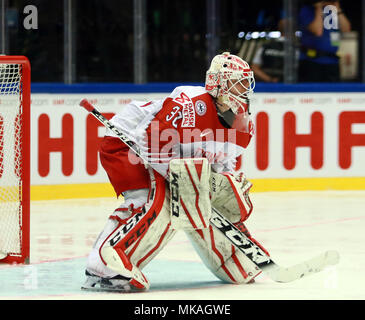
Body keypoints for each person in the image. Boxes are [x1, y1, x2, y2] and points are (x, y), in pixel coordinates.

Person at [82, 52, 269, 292]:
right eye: (236, 82)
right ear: (218, 84)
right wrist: (179, 178)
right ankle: (103, 265)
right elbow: (149, 140)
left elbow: (221, 165)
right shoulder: (189, 103)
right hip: (127, 144)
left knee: (200, 201)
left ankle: (233, 259)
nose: (242, 90)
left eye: (245, 84)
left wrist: (217, 184)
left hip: (167, 157)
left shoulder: (244, 126)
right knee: (151, 199)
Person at [298, 0, 351, 82]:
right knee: (312, 92)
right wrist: (318, 8)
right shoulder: (307, 10)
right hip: (312, 61)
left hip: (332, 61)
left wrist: (338, 10)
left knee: (333, 93)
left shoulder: (333, 11)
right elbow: (317, 31)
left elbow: (346, 30)